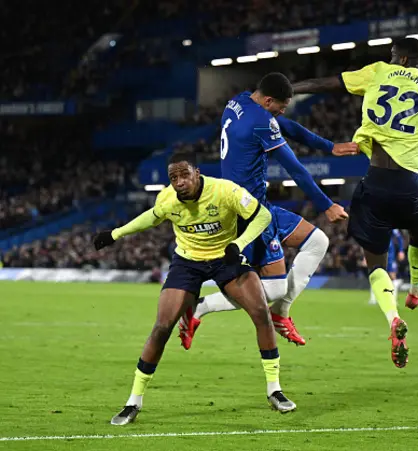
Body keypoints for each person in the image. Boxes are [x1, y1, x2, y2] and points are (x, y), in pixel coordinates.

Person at [292, 37, 418, 368]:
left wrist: (290, 90)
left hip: (374, 184)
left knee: (376, 265)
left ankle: (393, 319)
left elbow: (328, 83)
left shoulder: (378, 72)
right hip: (410, 184)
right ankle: (416, 289)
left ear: (399, 58)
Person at [93, 151, 296, 425]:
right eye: (173, 177)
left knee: (260, 312)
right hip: (188, 263)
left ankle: (275, 390)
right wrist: (114, 234)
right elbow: (151, 218)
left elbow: (262, 217)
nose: (178, 182)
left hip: (226, 258)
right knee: (162, 327)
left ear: (197, 173)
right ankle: (133, 402)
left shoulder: (225, 191)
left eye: (184, 174)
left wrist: (239, 244)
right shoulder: (166, 198)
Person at [179, 73, 358, 349]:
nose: (283, 111)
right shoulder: (261, 121)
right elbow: (295, 169)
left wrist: (329, 146)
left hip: (260, 207)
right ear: (268, 99)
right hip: (248, 215)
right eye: (281, 105)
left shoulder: (237, 102)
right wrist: (327, 205)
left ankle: (281, 313)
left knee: (318, 241)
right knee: (272, 289)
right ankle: (200, 308)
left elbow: (285, 125)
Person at [368, 230, 407, 305]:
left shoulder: (389, 225)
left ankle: (393, 299)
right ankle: (373, 299)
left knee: (392, 276)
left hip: (389, 255)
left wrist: (401, 251)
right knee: (375, 275)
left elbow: (399, 238)